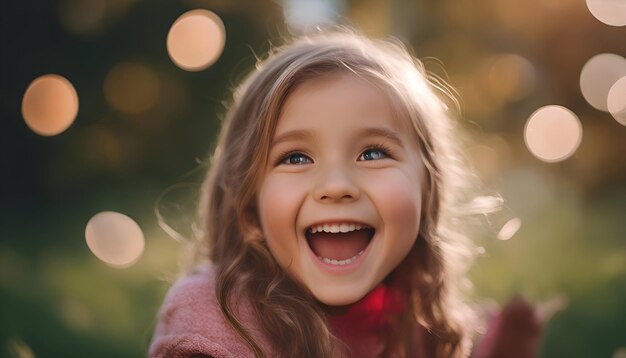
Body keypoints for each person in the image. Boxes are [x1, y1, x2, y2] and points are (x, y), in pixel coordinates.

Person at [149, 29, 541, 357]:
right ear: (248, 201)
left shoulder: (417, 325)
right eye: (296, 157)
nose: (336, 186)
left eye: (373, 153)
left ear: (428, 190)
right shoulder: (215, 317)